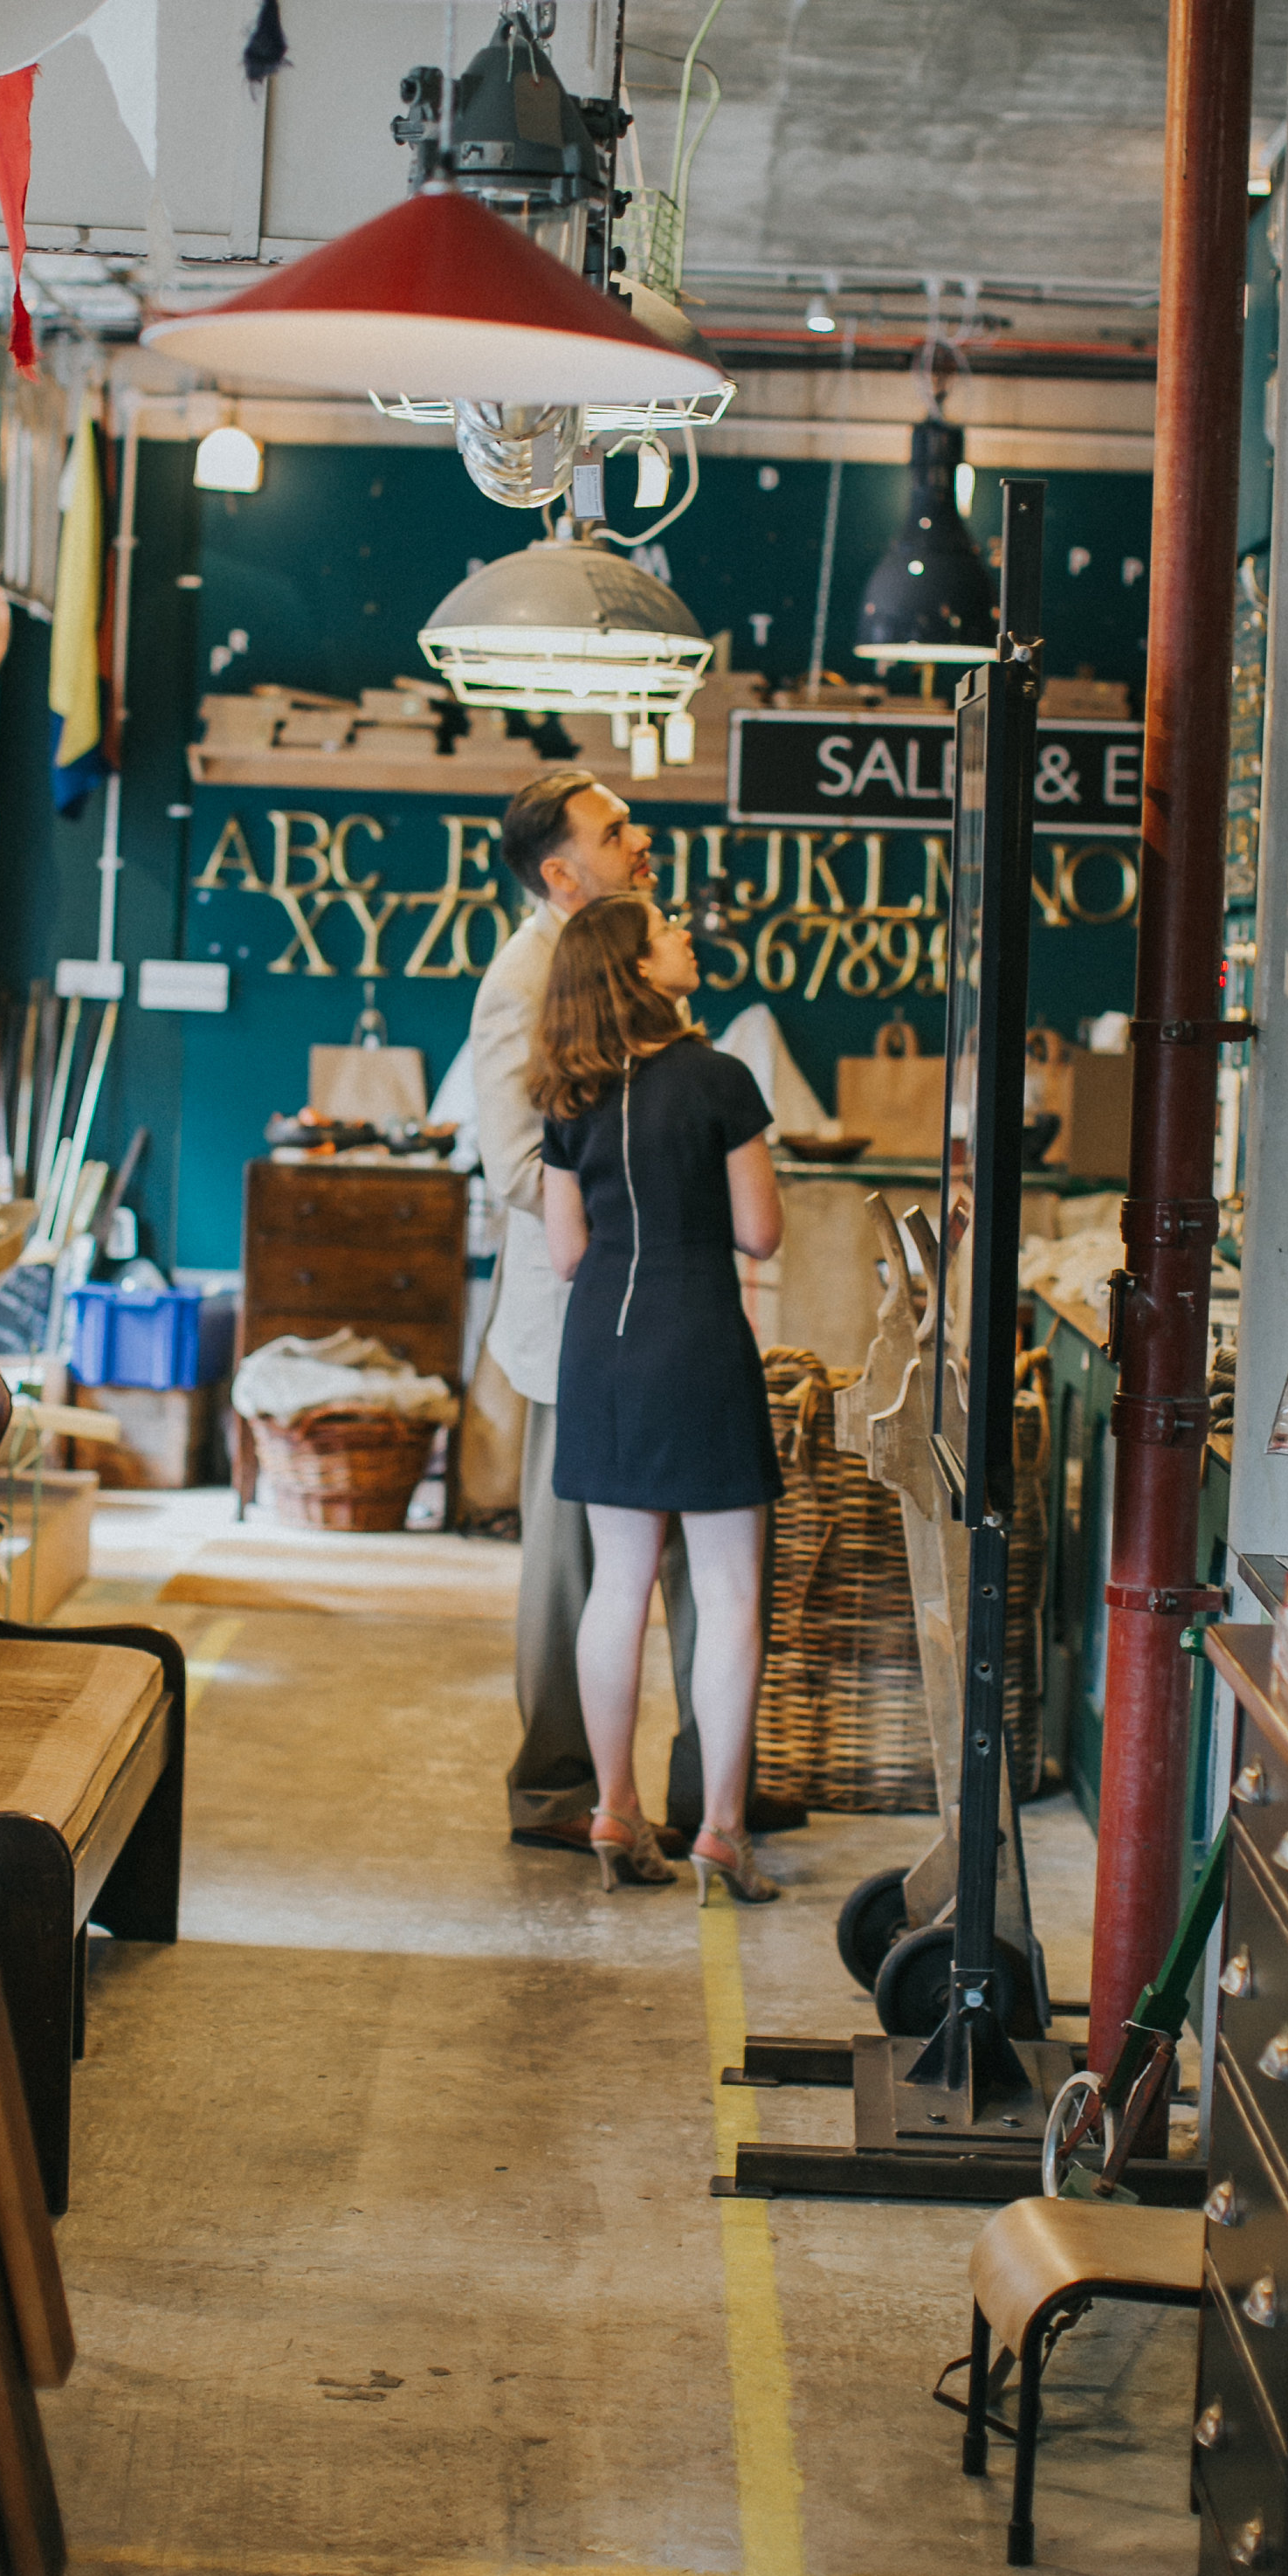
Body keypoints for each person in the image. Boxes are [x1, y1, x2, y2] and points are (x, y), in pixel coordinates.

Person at [532, 893, 785, 1904]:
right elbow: (761, 1231)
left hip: (600, 1343)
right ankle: (721, 1829)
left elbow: (565, 1254)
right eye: (666, 932)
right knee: (726, 1592)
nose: (685, 937)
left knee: (616, 1586)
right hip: (698, 1336)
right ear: (639, 969)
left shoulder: (568, 1094)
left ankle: (615, 1808)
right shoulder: (720, 1079)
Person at [472, 772, 704, 1852]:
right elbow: (513, 1163)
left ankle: (713, 1783)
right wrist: (634, 1194)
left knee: (709, 1546)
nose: (641, 840)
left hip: (675, 1308)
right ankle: (555, 1792)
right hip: (580, 1313)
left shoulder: (641, 951)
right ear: (560, 872)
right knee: (572, 1569)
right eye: (617, 833)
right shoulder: (522, 979)